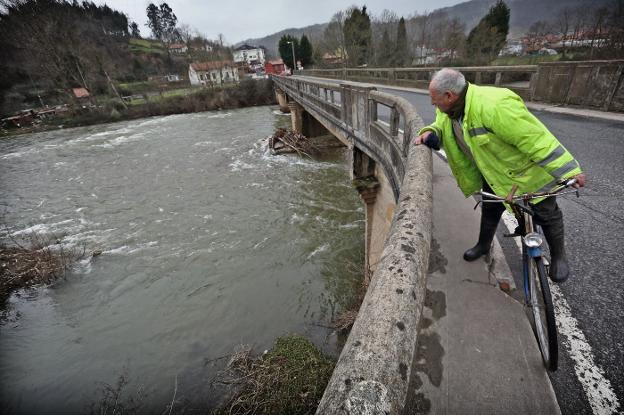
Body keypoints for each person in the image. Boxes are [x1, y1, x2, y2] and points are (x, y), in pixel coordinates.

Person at [414, 68, 586, 283]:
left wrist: (569, 171)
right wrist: (430, 133)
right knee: (490, 207)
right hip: (494, 172)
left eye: (434, 100)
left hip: (528, 174)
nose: (433, 104)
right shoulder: (449, 110)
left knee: (547, 212)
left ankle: (559, 256)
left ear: (449, 96)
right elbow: (440, 125)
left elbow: (535, 139)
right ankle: (484, 244)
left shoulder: (493, 105)